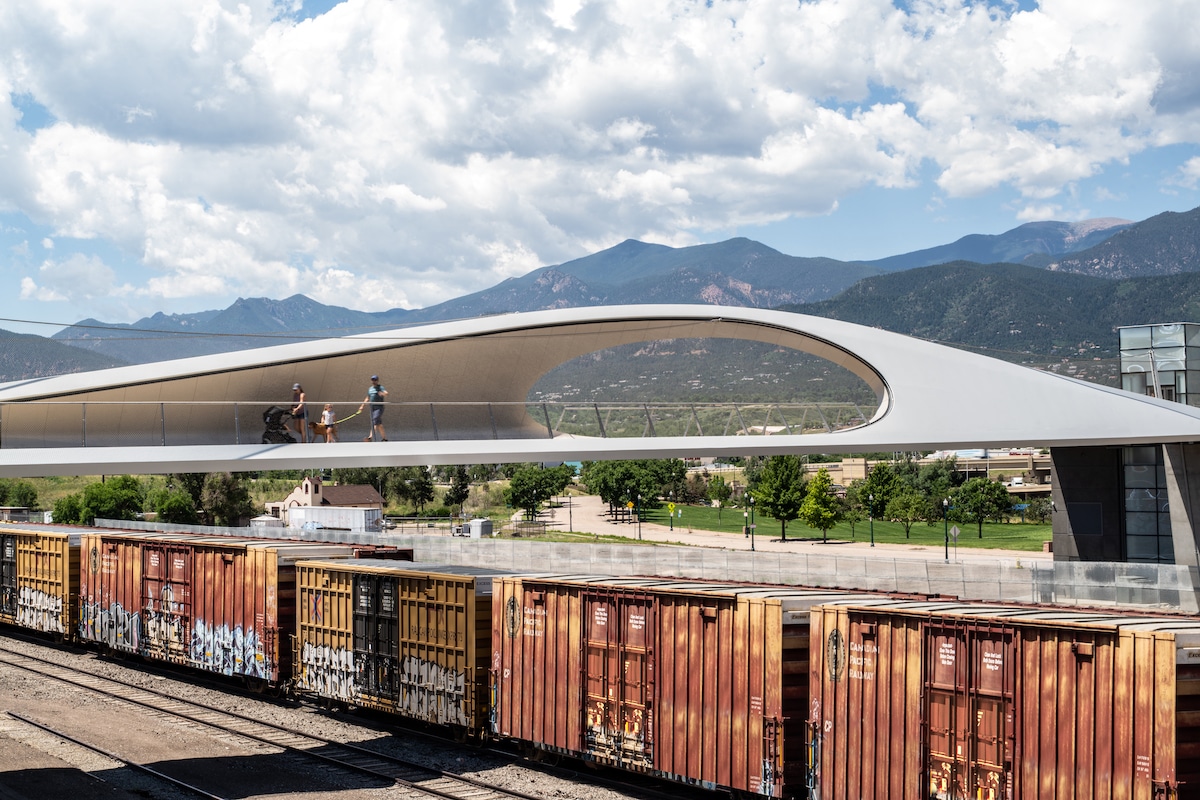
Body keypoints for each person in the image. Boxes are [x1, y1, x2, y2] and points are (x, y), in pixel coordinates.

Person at [358, 375, 388, 441]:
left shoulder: (380, 387)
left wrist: (382, 394)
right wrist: (362, 406)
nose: (374, 381)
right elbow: (367, 398)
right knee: (379, 424)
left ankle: (370, 437)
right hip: (372, 408)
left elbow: (386, 393)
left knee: (374, 420)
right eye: (373, 380)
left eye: (375, 380)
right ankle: (384, 438)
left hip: (379, 407)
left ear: (377, 380)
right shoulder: (370, 389)